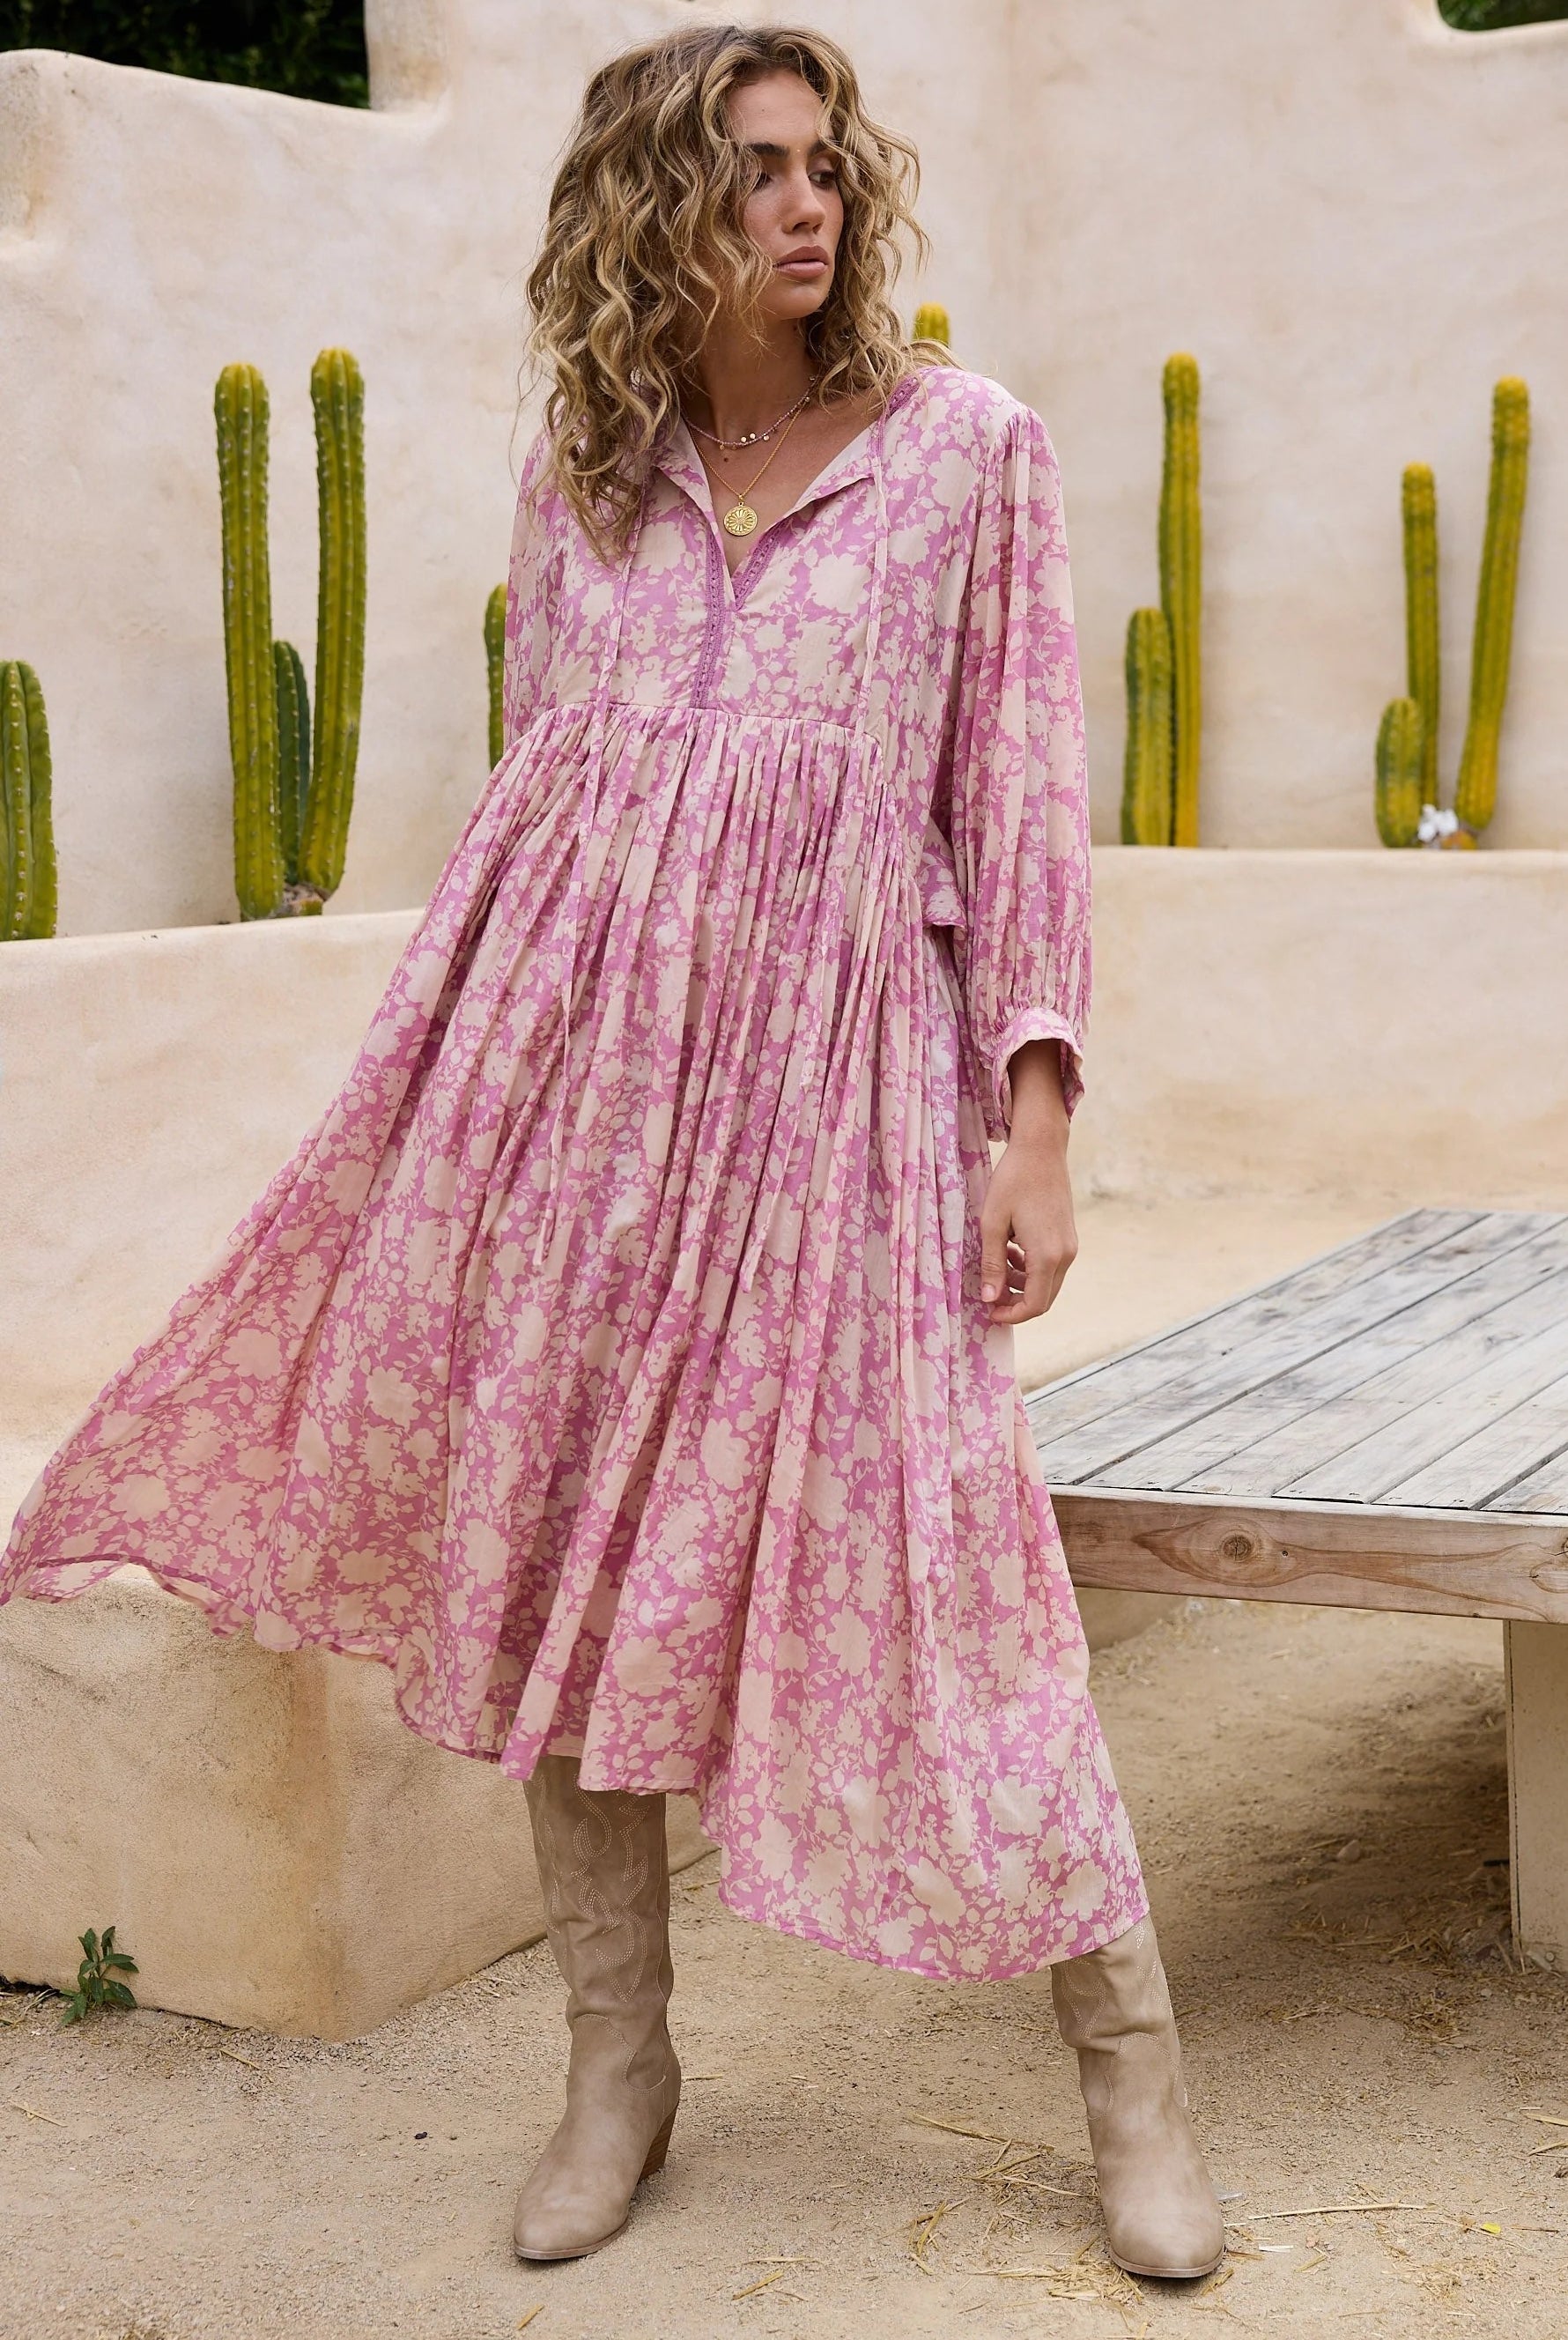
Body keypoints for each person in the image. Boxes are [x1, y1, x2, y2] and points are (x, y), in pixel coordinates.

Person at [1, 21, 1224, 2286]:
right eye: (752, 170)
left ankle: (1128, 2078)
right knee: (560, 1541)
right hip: (583, 1106)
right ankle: (616, 2069)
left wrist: (1028, 1118)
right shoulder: (585, 475)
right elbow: (546, 811)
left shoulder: (967, 456)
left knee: (950, 1573)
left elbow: (1019, 801)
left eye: (821, 166)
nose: (805, 204)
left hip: (845, 1105)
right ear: (649, 207)